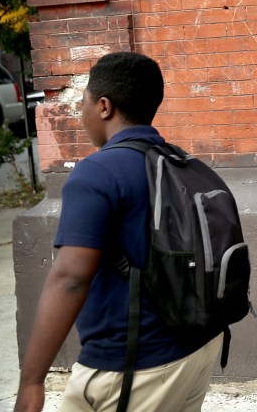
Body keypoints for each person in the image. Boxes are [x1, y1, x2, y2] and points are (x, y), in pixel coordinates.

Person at [14, 52, 223, 412]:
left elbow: (70, 278)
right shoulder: (180, 161)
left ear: (105, 107)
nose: (82, 116)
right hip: (197, 349)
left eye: (84, 105)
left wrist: (32, 381)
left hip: (132, 365)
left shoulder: (96, 173)